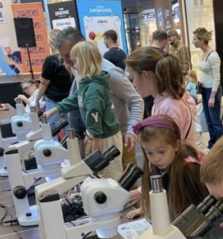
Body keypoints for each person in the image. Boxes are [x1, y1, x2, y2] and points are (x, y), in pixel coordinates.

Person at [126, 115, 223, 239]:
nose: (156, 158)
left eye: (161, 151)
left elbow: (203, 214)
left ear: (176, 145)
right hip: (189, 214)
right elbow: (163, 194)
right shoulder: (157, 165)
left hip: (212, 219)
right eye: (149, 153)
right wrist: (144, 207)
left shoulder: (190, 169)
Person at [54, 27, 143, 168]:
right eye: (63, 57)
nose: (67, 62)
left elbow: (136, 100)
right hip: (91, 138)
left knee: (119, 180)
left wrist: (132, 131)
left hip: (116, 141)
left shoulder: (110, 72)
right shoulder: (78, 67)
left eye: (69, 55)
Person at [43, 41, 123, 180]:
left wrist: (95, 138)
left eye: (75, 61)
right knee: (99, 172)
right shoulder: (86, 82)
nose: (73, 65)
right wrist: (55, 110)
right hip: (98, 135)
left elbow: (94, 113)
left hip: (105, 137)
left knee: (109, 174)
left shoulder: (94, 87)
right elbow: (75, 99)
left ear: (85, 62)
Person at [126, 47, 197, 148]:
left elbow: (166, 150)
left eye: (132, 78)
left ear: (145, 75)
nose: (133, 84)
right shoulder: (164, 101)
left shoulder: (169, 107)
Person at [35, 29, 73, 129]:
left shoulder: (51, 60)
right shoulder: (70, 57)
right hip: (70, 99)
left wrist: (37, 99)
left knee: (51, 130)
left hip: (54, 100)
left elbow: (44, 83)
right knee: (70, 130)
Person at [193, 28, 223, 148]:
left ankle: (222, 146)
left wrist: (212, 96)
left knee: (215, 120)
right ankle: (213, 144)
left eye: (195, 39)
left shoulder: (213, 56)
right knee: (209, 120)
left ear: (201, 40)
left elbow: (217, 77)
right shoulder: (203, 54)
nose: (193, 42)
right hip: (205, 89)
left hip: (212, 90)